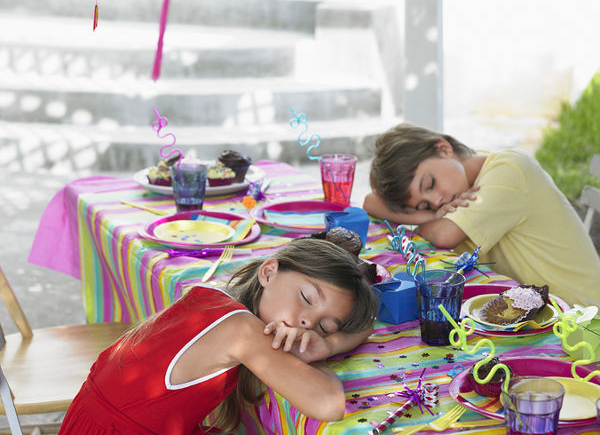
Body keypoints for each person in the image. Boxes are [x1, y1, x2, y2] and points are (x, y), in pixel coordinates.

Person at [58, 239, 378, 435]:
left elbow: (366, 326)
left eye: (323, 325)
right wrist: (318, 353)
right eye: (307, 298)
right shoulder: (241, 331)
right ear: (269, 273)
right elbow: (328, 405)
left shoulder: (219, 295)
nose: (308, 322)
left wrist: (326, 342)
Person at [363, 122, 600, 307]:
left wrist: (431, 221)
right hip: (538, 309)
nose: (436, 202)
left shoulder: (509, 171)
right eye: (423, 205)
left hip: (584, 320)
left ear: (444, 149)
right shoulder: (467, 180)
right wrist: (428, 218)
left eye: (430, 184)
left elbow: (445, 236)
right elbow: (370, 202)